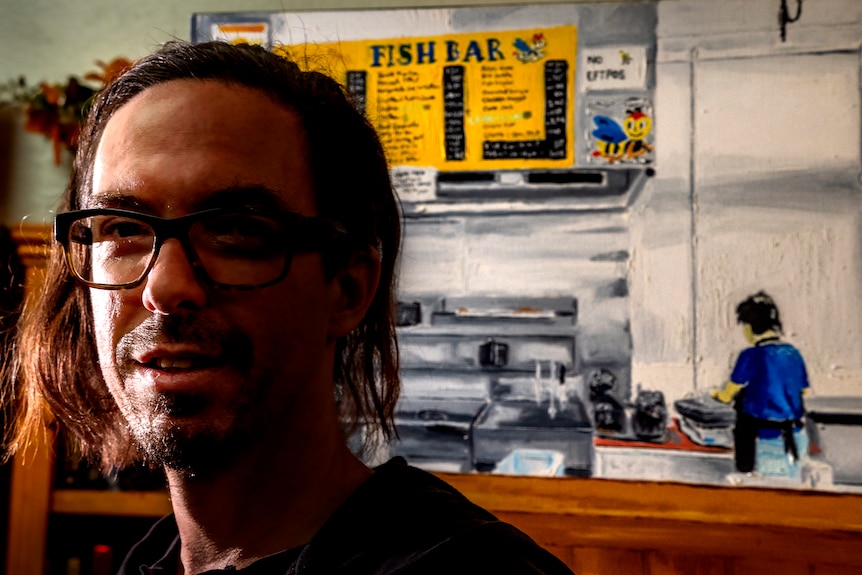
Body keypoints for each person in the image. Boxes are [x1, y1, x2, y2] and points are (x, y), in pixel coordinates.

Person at [5, 41, 574, 574]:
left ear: (348, 289)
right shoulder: (152, 558)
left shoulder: (465, 568)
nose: (165, 288)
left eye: (234, 229)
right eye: (124, 228)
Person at [712, 291, 810, 479]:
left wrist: (716, 394)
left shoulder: (750, 355)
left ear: (749, 327)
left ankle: (744, 471)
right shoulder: (793, 354)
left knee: (742, 415)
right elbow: (803, 390)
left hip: (759, 431)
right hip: (792, 431)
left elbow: (728, 394)